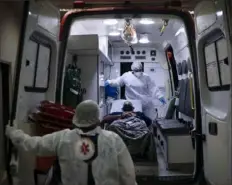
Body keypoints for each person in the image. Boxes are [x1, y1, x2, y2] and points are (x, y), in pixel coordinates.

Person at [5, 100, 137, 185]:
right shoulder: (113, 140)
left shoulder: (63, 137)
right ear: (98, 119)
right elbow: (127, 174)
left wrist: (12, 132)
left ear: (76, 119)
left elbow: (33, 145)